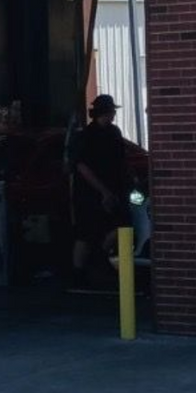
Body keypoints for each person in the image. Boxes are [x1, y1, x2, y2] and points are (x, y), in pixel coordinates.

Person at [70, 93, 130, 286]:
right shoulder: (86, 136)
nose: (114, 115)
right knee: (86, 233)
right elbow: (81, 166)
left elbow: (122, 160)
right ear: (105, 112)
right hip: (89, 193)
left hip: (113, 190)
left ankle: (100, 259)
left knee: (120, 226)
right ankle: (79, 274)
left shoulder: (114, 133)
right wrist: (103, 191)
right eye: (112, 111)